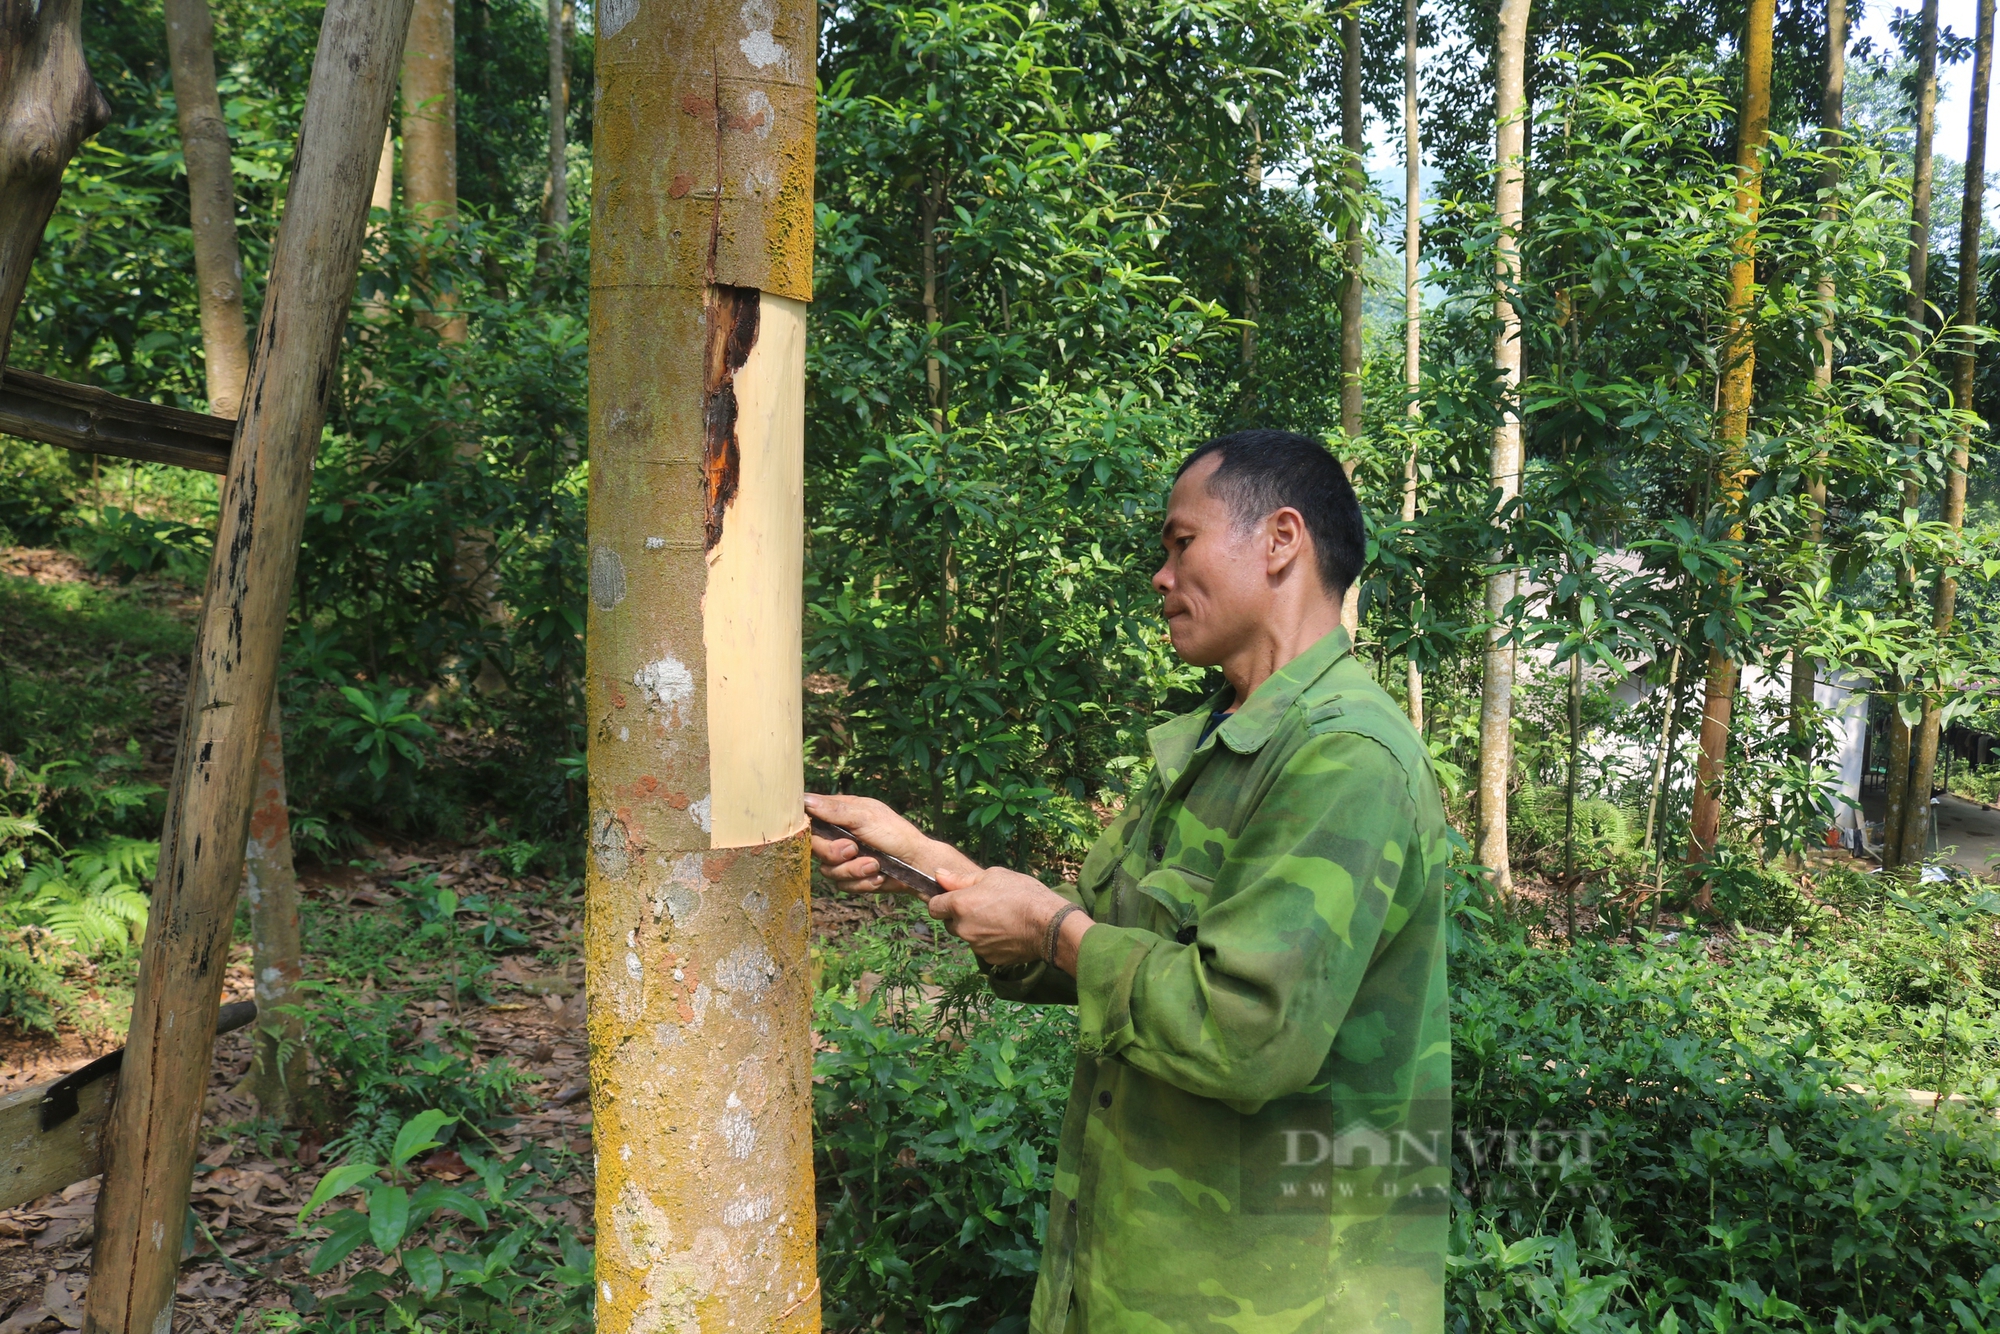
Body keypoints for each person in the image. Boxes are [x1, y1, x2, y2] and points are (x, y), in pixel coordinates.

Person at [808, 429, 1450, 1334]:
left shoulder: (1345, 757)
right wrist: (923, 861)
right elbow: (1103, 939)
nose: (1160, 575)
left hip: (1281, 1298)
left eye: (1180, 542)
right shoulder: (1223, 741)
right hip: (1142, 1273)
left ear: (1281, 540)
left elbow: (1244, 1033)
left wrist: (1051, 931)